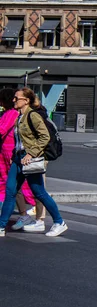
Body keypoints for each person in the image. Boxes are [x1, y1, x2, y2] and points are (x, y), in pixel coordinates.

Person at [0, 87, 68, 237]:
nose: (13, 100)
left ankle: (59, 222)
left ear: (26, 100)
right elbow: (19, 140)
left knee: (39, 193)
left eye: (16, 98)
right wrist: (14, 154)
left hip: (30, 159)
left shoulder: (33, 116)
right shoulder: (19, 117)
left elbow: (45, 137)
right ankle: (1, 226)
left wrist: (31, 153)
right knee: (10, 192)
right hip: (18, 159)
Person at [0, 88, 39, 230]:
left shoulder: (12, 114)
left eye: (17, 98)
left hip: (12, 154)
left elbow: (2, 130)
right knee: (10, 186)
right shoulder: (11, 114)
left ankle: (29, 212)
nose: (14, 100)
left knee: (15, 187)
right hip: (8, 153)